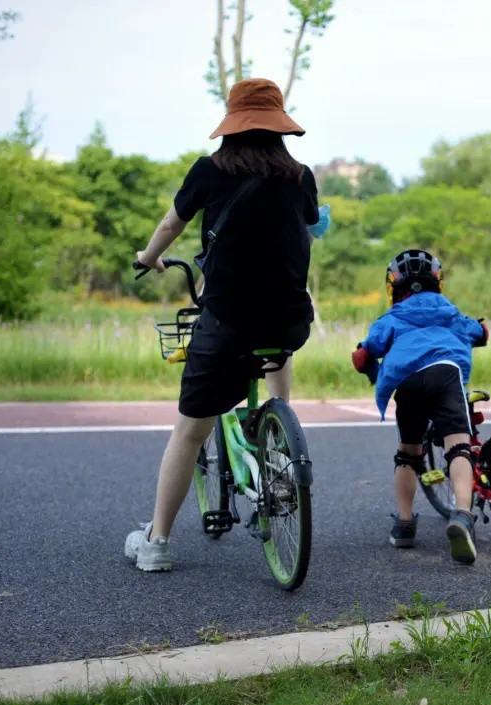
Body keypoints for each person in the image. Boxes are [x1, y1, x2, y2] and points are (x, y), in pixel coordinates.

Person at [125, 77, 326, 572]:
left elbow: (172, 225)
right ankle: (278, 422)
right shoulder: (300, 177)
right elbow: (308, 228)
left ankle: (156, 544)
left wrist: (149, 257)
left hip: (227, 322)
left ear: (232, 126)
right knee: (279, 340)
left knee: (190, 431)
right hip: (287, 320)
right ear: (279, 126)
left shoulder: (208, 171)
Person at [351, 250, 489, 565]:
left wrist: (371, 368)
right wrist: (478, 332)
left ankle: (403, 526)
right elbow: (480, 333)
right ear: (436, 281)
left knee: (408, 452)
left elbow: (362, 356)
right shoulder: (449, 310)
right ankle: (463, 516)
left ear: (393, 286)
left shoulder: (391, 318)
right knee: (459, 448)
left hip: (407, 379)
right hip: (445, 372)